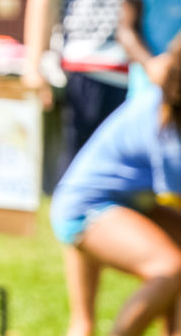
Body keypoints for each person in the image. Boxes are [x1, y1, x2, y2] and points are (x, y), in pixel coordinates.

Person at [22, 0, 171, 336]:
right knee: (83, 198)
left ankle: (162, 297)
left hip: (156, 78)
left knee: (161, 197)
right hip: (85, 70)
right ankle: (82, 322)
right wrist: (36, 61)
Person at [50, 40, 181, 336]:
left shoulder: (165, 101)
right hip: (87, 207)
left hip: (128, 202)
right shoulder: (168, 125)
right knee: (169, 268)